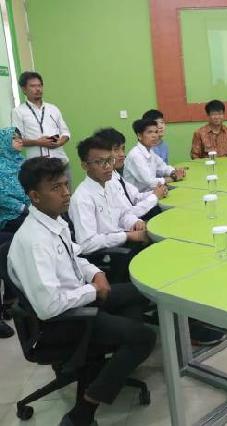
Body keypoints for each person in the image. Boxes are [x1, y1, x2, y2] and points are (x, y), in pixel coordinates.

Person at [8, 157, 156, 426]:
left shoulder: (54, 221)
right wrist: (93, 291)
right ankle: (83, 411)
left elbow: (76, 256)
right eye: (56, 188)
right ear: (34, 196)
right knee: (144, 338)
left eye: (66, 184)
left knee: (140, 293)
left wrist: (96, 273)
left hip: (80, 295)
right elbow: (49, 306)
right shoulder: (34, 241)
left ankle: (112, 358)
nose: (66, 193)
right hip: (62, 320)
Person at [69, 136, 148, 258]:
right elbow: (86, 244)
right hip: (107, 255)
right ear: (85, 166)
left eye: (110, 160)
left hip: (122, 239)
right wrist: (127, 236)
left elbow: (123, 214)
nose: (108, 166)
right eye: (100, 162)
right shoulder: (82, 198)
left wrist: (135, 222)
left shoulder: (110, 184)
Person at [94, 127, 165, 221]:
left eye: (123, 149)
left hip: (133, 217)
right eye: (116, 150)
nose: (122, 154)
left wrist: (156, 192)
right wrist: (154, 197)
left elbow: (135, 197)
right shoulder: (106, 182)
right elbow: (128, 213)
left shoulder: (115, 174)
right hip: (128, 222)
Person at [11, 71, 72, 181]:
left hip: (60, 162)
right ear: (24, 89)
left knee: (65, 192)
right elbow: (17, 140)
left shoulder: (53, 108)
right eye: (33, 86)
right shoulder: (18, 112)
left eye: (39, 85)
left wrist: (60, 142)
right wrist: (38, 142)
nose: (38, 89)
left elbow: (66, 133)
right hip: (37, 167)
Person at [190, 99, 227, 195]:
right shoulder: (199, 133)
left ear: (223, 115)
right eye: (214, 114)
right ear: (208, 116)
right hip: (208, 172)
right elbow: (195, 156)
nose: (217, 117)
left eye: (220, 114)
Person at [124, 118, 185, 192]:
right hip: (138, 196)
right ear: (139, 136)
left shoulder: (150, 151)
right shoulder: (135, 155)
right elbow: (150, 182)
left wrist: (174, 172)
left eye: (156, 132)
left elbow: (163, 167)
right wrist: (173, 178)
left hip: (151, 192)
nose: (155, 136)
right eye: (150, 132)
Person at [0, 128, 30, 233]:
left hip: (32, 208)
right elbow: (2, 197)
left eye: (20, 138)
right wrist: (22, 208)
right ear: (3, 141)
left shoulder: (24, 162)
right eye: (14, 138)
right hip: (10, 215)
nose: (19, 140)